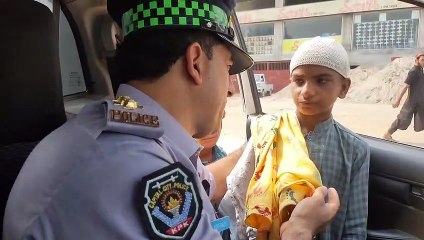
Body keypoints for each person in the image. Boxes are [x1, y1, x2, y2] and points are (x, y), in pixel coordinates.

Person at [3, 1, 339, 239]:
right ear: (196, 62)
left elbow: (203, 182)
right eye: (227, 68)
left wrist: (264, 142)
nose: (231, 90)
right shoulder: (137, 169)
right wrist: (299, 230)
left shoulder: (116, 127)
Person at [287, 36, 370, 239]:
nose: (306, 91)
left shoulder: (355, 149)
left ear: (344, 87)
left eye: (321, 81)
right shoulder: (270, 132)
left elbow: (355, 227)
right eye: (299, 81)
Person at [384, 52, 424, 141]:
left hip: (420, 102)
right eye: (422, 60)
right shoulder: (413, 72)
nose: (423, 62)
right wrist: (397, 101)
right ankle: (388, 134)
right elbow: (405, 86)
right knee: (402, 119)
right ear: (417, 60)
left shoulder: (420, 70)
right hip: (411, 102)